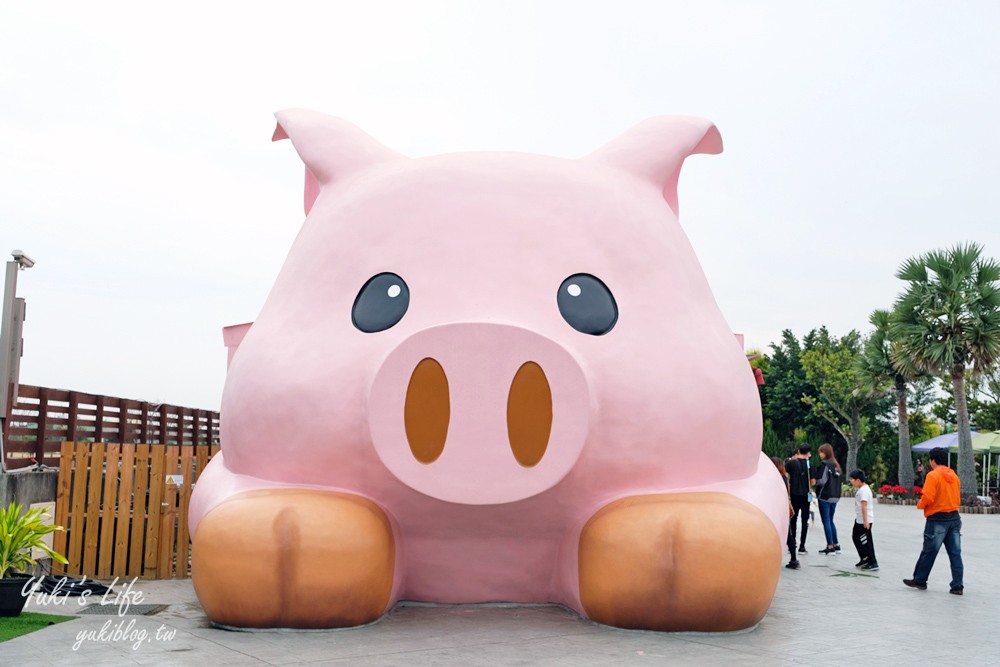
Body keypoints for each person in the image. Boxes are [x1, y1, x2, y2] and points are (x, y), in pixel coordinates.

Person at [903, 447, 964, 595]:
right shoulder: (954, 476)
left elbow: (928, 497)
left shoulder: (933, 475)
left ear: (933, 460)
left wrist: (920, 504)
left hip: (937, 519)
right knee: (955, 553)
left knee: (929, 551)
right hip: (954, 518)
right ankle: (957, 585)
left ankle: (920, 580)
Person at [813, 444, 842, 554]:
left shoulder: (825, 465)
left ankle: (830, 546)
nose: (820, 454)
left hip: (825, 496)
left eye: (821, 452)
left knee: (826, 521)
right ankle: (836, 544)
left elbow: (822, 481)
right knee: (830, 520)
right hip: (835, 496)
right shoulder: (836, 465)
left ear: (826, 453)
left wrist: (815, 481)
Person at [771, 456, 799, 570]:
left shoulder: (773, 478)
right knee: (788, 534)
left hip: (774, 508)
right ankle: (794, 559)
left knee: (773, 533)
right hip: (783, 508)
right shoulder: (785, 478)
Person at [848, 470, 878, 571]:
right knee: (856, 537)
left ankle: (872, 562)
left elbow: (864, 506)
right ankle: (864, 558)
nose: (851, 481)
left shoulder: (864, 490)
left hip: (865, 520)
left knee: (866, 541)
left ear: (858, 480)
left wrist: (866, 521)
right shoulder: (862, 489)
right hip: (859, 519)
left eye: (852, 479)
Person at [785, 445, 812, 553]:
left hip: (794, 494)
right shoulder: (810, 464)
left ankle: (793, 542)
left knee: (793, 519)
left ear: (798, 451)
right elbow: (813, 481)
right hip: (806, 496)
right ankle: (802, 546)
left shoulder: (790, 463)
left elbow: (786, 476)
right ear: (808, 452)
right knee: (804, 521)